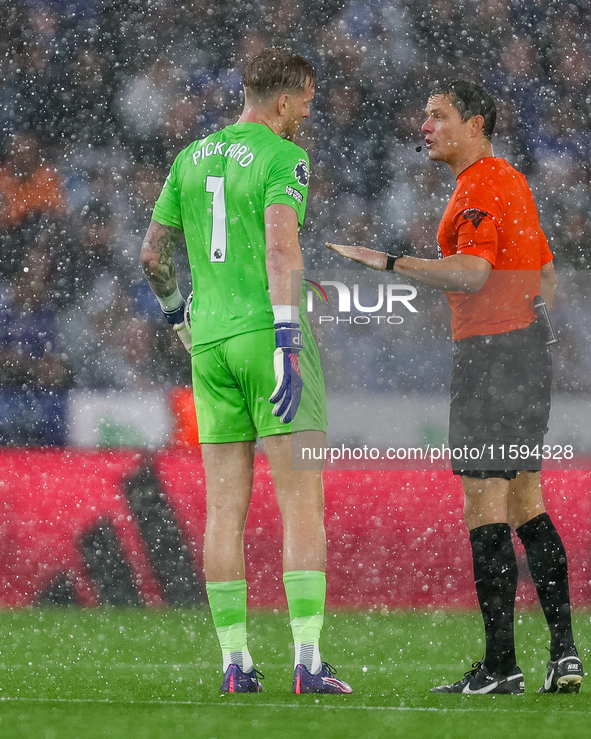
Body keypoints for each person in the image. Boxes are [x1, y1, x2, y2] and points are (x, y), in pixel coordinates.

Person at [327, 80, 582, 695]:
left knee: (483, 505)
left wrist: (388, 263)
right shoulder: (513, 182)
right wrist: (525, 328)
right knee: (527, 500)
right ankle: (565, 654)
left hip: (492, 354)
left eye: (438, 116)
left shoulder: (482, 185)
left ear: (475, 124)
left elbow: (471, 275)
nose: (426, 126)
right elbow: (546, 272)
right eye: (424, 116)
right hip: (524, 351)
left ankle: (500, 667)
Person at [140, 48, 352, 695]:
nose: (309, 112)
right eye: (308, 100)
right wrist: (288, 337)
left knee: (223, 512)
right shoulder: (283, 157)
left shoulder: (189, 157)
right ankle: (308, 661)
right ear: (283, 101)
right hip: (268, 336)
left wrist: (179, 322)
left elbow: (151, 254)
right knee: (300, 504)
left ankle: (235, 661)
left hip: (210, 346)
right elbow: (282, 248)